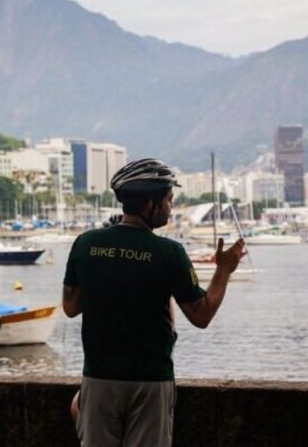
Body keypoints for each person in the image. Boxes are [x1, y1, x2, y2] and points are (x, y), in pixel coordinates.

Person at [63, 158, 245, 446]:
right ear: (150, 203)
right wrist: (224, 270)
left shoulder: (85, 244)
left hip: (99, 377)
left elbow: (71, 307)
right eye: (168, 200)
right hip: (151, 379)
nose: (171, 208)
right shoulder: (169, 252)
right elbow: (201, 315)